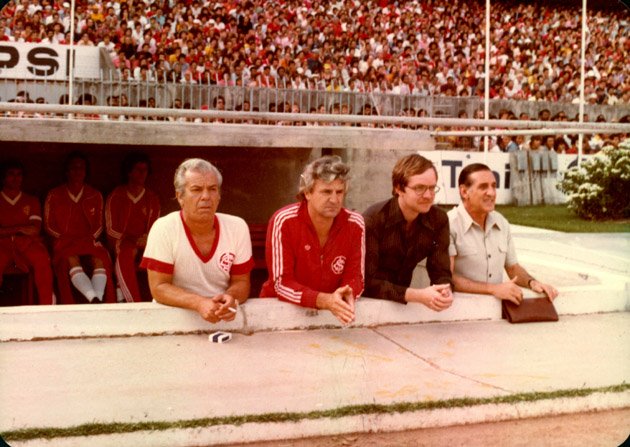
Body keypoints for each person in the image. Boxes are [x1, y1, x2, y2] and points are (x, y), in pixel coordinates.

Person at [140, 158, 253, 323]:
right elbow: (159, 288)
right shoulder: (164, 228)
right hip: (173, 318)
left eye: (212, 189)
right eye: (197, 189)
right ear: (180, 197)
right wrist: (199, 303)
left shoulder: (237, 226)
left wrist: (230, 297)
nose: (206, 196)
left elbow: (242, 282)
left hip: (222, 318)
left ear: (219, 195)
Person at [260, 156, 364, 325]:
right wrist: (323, 300)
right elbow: (281, 283)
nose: (334, 199)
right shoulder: (284, 220)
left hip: (330, 315)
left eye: (339, 192)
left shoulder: (354, 223)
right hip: (279, 313)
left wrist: (347, 293)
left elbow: (356, 277)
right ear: (307, 193)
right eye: (326, 192)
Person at [448, 163, 559, 304]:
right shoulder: (449, 224)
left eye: (494, 186)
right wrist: (493, 289)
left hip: (496, 311)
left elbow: (513, 268)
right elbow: (448, 277)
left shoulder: (501, 223)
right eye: (483, 187)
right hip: (462, 311)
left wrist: (533, 282)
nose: (492, 193)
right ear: (464, 192)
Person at [363, 154, 453, 311]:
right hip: (367, 306)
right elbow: (366, 282)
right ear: (399, 188)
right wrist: (417, 295)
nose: (428, 195)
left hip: (402, 307)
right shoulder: (374, 219)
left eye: (432, 188)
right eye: (419, 188)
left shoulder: (438, 219)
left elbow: (441, 271)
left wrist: (444, 290)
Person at [44, 151, 116, 303]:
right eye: (74, 168)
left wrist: (87, 239)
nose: (78, 171)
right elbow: (49, 225)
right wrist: (67, 238)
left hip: (87, 239)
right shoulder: (55, 194)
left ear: (86, 172)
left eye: (81, 168)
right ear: (67, 172)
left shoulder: (94, 194)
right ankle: (93, 298)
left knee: (100, 258)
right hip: (64, 241)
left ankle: (98, 299)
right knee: (71, 258)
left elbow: (99, 226)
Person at [105, 152, 161, 302]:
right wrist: (133, 240)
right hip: (122, 242)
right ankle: (133, 302)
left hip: (146, 243)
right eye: (138, 169)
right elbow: (111, 230)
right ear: (129, 172)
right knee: (126, 252)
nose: (142, 173)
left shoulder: (152, 198)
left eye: (145, 170)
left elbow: (155, 227)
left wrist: (147, 239)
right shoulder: (116, 195)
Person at [0, 160, 54, 305]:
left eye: (19, 175)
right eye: (11, 174)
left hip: (27, 244)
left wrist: (6, 230)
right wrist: (18, 229)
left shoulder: (31, 200)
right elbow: (25, 229)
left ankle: (47, 307)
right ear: (3, 177)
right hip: (2, 245)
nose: (16, 178)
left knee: (42, 258)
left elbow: (34, 230)